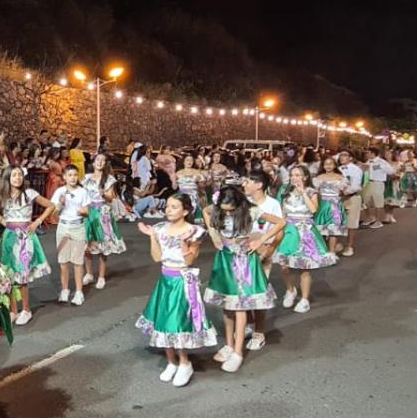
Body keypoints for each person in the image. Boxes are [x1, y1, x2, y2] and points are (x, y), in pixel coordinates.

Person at [136, 193, 216, 387]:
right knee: (163, 321)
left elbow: (189, 260)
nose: (168, 210)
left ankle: (185, 363)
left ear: (186, 211)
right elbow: (157, 258)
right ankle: (171, 361)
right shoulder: (160, 228)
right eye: (168, 206)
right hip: (165, 280)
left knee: (177, 322)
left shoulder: (195, 231)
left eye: (174, 207)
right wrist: (153, 237)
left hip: (182, 282)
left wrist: (183, 242)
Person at [204, 182, 281, 372]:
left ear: (239, 204)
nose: (227, 214)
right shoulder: (216, 208)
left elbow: (281, 222)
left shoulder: (252, 211)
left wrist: (260, 240)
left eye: (231, 211)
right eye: (224, 211)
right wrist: (214, 233)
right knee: (227, 304)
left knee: (240, 306)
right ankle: (229, 345)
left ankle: (238, 352)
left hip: (244, 260)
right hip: (225, 259)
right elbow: (206, 213)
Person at [0, 166, 54, 326]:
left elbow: (50, 205)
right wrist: (1, 221)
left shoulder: (29, 193)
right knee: (8, 274)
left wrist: (37, 221)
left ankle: (26, 309)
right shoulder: (3, 194)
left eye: (20, 174)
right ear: (8, 177)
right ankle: (13, 310)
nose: (17, 178)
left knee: (22, 275)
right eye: (14, 175)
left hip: (25, 236)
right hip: (8, 236)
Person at [274, 165, 337, 313]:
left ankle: (304, 299)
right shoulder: (286, 192)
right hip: (289, 231)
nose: (294, 178)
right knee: (284, 266)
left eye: (298, 175)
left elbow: (314, 209)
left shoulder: (311, 192)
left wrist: (303, 193)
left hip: (305, 232)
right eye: (292, 175)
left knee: (304, 268)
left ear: (305, 177)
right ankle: (290, 290)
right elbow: (283, 215)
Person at [82, 155, 126, 290]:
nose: (100, 162)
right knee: (87, 243)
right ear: (93, 163)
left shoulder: (109, 179)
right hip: (89, 212)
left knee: (103, 244)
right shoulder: (86, 178)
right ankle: (89, 273)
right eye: (97, 160)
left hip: (102, 212)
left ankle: (101, 276)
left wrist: (103, 194)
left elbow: (111, 197)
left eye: (102, 161)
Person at [52, 165, 90, 306]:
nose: (73, 178)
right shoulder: (59, 192)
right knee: (63, 262)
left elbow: (87, 211)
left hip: (77, 227)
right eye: (70, 175)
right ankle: (65, 289)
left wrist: (82, 212)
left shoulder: (83, 192)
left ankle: (79, 292)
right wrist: (60, 204)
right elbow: (54, 213)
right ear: (64, 177)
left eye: (75, 175)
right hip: (63, 227)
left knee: (78, 261)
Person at [312, 156, 348, 254]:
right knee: (320, 229)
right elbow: (315, 192)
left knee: (333, 230)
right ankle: (322, 251)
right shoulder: (318, 178)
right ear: (323, 166)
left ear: (335, 165)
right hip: (322, 205)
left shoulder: (340, 177)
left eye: (330, 164)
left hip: (335, 205)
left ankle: (332, 253)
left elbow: (344, 191)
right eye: (326, 164)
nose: (328, 166)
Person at [337, 152, 363, 256]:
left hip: (352, 197)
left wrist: (345, 191)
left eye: (345, 156)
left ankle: (349, 246)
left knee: (352, 223)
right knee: (336, 221)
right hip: (338, 198)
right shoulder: (337, 169)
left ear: (350, 158)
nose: (342, 157)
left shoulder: (356, 170)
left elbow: (356, 185)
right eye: (341, 156)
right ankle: (336, 244)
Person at [364, 147, 392, 228]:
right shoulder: (368, 161)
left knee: (378, 203)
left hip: (378, 183)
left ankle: (378, 221)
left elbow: (391, 170)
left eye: (368, 153)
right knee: (365, 201)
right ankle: (370, 217)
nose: (366, 154)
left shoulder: (381, 162)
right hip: (368, 183)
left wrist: (379, 167)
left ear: (373, 153)